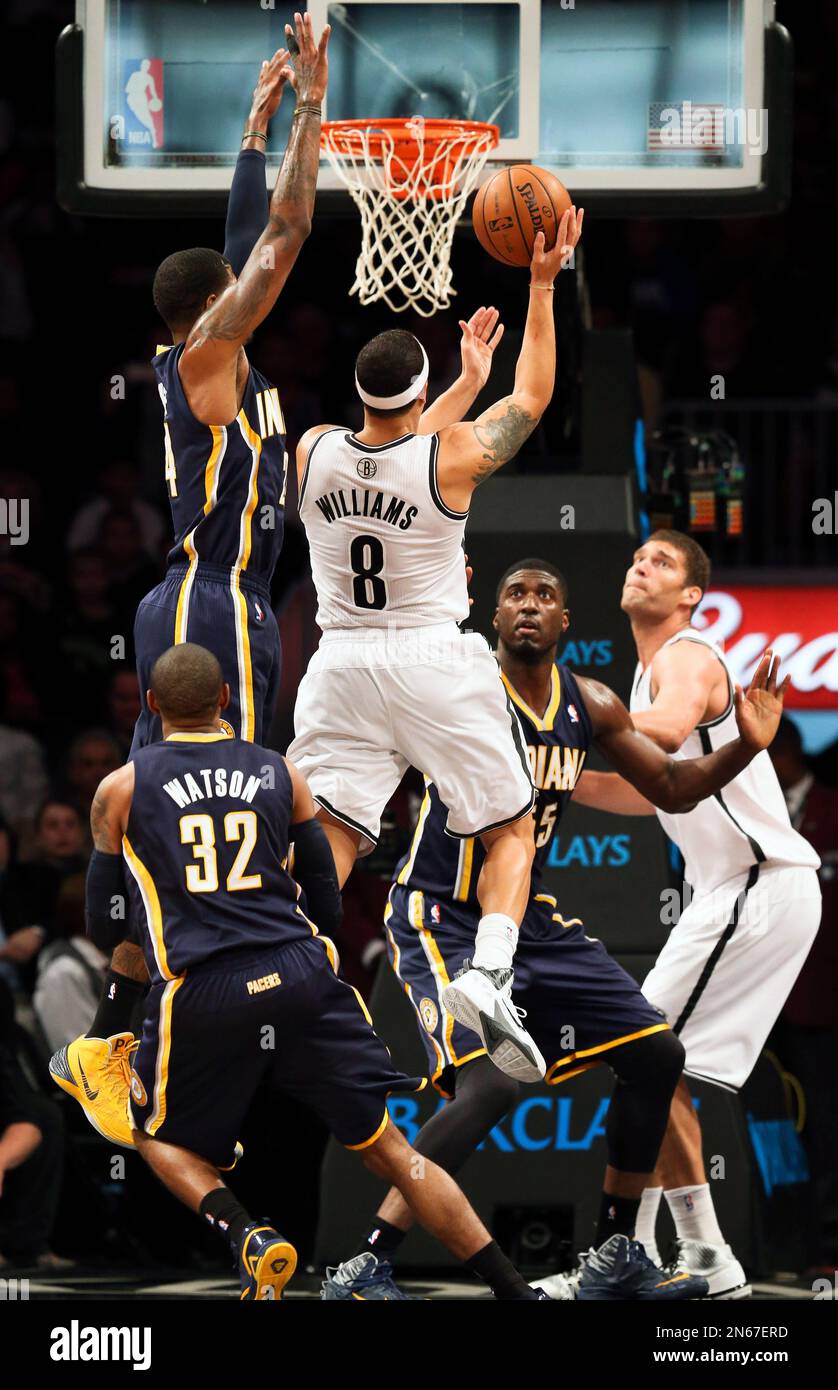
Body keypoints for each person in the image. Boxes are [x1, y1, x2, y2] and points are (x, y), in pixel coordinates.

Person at [322, 559, 789, 1301]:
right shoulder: (462, 691)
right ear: (494, 617)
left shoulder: (592, 702)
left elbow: (670, 785)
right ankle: (365, 1263)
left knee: (657, 1054)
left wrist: (744, 746)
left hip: (529, 917)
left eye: (546, 596)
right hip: (441, 913)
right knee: (490, 1091)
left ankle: (615, 1256)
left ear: (566, 621)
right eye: (515, 596)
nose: (530, 606)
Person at [65, 642, 546, 1300]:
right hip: (301, 973)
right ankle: (515, 1291)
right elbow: (324, 898)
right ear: (226, 702)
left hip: (202, 987)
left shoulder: (119, 789)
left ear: (151, 707)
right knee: (397, 1157)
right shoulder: (279, 773)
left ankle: (248, 1235)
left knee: (149, 1134)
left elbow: (104, 922)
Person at [50, 18, 330, 1144]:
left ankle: (110, 1026)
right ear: (219, 307)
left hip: (210, 598)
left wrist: (253, 128)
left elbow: (247, 227)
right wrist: (315, 100)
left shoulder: (218, 352)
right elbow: (290, 230)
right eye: (245, 289)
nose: (263, 291)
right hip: (212, 596)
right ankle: (218, 1001)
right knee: (233, 794)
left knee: (161, 803)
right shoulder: (210, 360)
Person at [289, 210, 585, 1082]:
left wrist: (446, 391)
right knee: (509, 831)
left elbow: (388, 444)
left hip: (339, 665)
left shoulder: (311, 452)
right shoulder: (449, 457)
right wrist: (540, 286)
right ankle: (490, 977)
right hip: (428, 659)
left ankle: (285, 960)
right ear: (423, 395)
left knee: (336, 833)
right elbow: (530, 400)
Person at [578, 529, 822, 1297]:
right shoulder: (644, 672)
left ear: (690, 595)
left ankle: (685, 1258)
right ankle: (654, 1257)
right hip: (733, 891)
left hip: (759, 882)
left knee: (645, 1057)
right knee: (653, 1068)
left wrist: (554, 717)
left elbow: (672, 730)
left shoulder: (685, 655)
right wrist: (548, 772)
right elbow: (641, 788)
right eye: (637, 557)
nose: (639, 565)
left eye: (661, 562)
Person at [768, 715, 838, 1271]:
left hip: (822, 999)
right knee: (771, 1122)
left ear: (783, 751)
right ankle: (773, 1242)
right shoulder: (753, 814)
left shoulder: (835, 808)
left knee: (826, 1124)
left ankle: (826, 1247)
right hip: (761, 999)